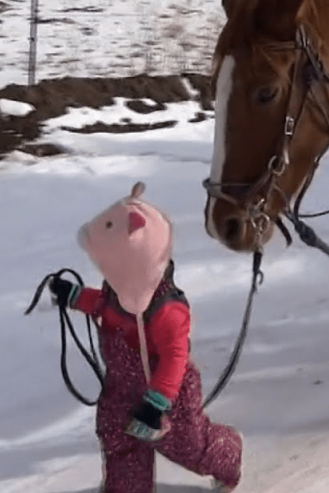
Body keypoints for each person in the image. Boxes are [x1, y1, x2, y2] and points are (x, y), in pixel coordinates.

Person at [48, 181, 243, 493]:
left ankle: (226, 454)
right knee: (117, 437)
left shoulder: (167, 311)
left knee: (188, 447)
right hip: (121, 388)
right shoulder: (120, 291)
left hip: (169, 395)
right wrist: (73, 296)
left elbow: (174, 357)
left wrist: (157, 402)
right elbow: (102, 303)